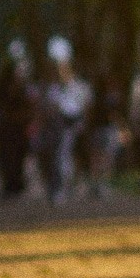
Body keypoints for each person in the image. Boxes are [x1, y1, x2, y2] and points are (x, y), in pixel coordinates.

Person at [35, 40, 92, 200]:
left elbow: (85, 106)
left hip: (72, 125)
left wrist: (83, 123)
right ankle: (55, 187)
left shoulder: (79, 87)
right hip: (54, 126)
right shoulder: (52, 88)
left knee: (65, 156)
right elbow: (46, 108)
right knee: (52, 156)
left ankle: (65, 187)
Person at [0, 49, 36, 196]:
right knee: (7, 157)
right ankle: (10, 183)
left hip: (17, 128)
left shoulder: (21, 89)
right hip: (7, 128)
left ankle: (15, 183)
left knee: (16, 157)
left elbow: (28, 107)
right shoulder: (3, 89)